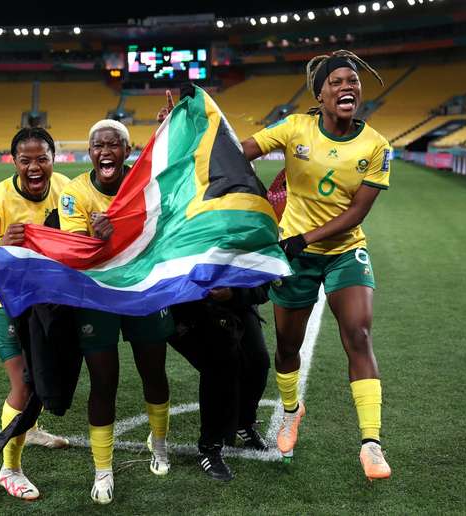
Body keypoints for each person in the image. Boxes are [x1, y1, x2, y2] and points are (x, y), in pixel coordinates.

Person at [159, 49, 393, 480]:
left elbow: (357, 213)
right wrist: (186, 130)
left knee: (358, 333)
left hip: (343, 251)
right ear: (319, 93)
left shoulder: (376, 146)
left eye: (353, 81)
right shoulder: (294, 127)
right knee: (287, 348)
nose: (348, 87)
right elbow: (238, 151)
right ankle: (290, 413)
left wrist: (304, 237)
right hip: (296, 258)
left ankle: (372, 442)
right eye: (337, 81)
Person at [58, 120, 172, 505]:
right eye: (97, 146)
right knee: (104, 382)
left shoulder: (146, 184)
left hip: (143, 290)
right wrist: (95, 237)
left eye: (113, 145)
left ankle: (159, 444)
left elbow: (164, 230)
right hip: (97, 295)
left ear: (126, 150)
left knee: (153, 372)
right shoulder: (74, 192)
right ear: (90, 153)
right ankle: (103, 470)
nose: (105, 151)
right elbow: (74, 249)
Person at [0, 127, 71, 501]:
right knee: (25, 384)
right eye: (25, 160)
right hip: (1, 300)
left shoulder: (65, 189)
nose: (34, 167)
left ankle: (31, 427)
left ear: (53, 159)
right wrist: (0, 243)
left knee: (42, 370)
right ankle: (9, 469)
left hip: (41, 298)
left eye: (41, 158)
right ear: (14, 161)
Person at [168, 285, 270, 482]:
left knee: (258, 361)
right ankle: (209, 446)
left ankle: (244, 422)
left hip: (234, 302)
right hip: (186, 307)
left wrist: (234, 294)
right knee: (220, 363)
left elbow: (265, 288)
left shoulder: (254, 254)